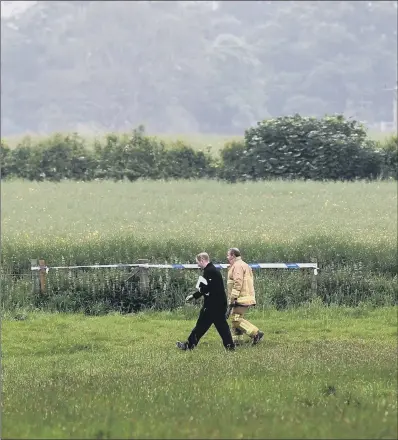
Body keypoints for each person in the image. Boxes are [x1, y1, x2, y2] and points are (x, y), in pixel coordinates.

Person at [176, 252, 235, 351]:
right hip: (217, 305)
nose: (197, 265)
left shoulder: (210, 271)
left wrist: (194, 296)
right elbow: (206, 288)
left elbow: (207, 288)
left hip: (213, 306)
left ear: (202, 260)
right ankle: (230, 347)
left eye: (198, 262)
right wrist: (195, 295)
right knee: (220, 327)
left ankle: (189, 346)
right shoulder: (210, 270)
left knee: (202, 327)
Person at [226, 247, 264, 345]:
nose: (227, 257)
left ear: (233, 255)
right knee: (236, 318)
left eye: (228, 255)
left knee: (235, 319)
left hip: (240, 297)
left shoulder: (237, 266)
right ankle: (237, 342)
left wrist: (233, 298)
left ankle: (256, 334)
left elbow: (237, 282)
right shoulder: (244, 265)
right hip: (245, 296)